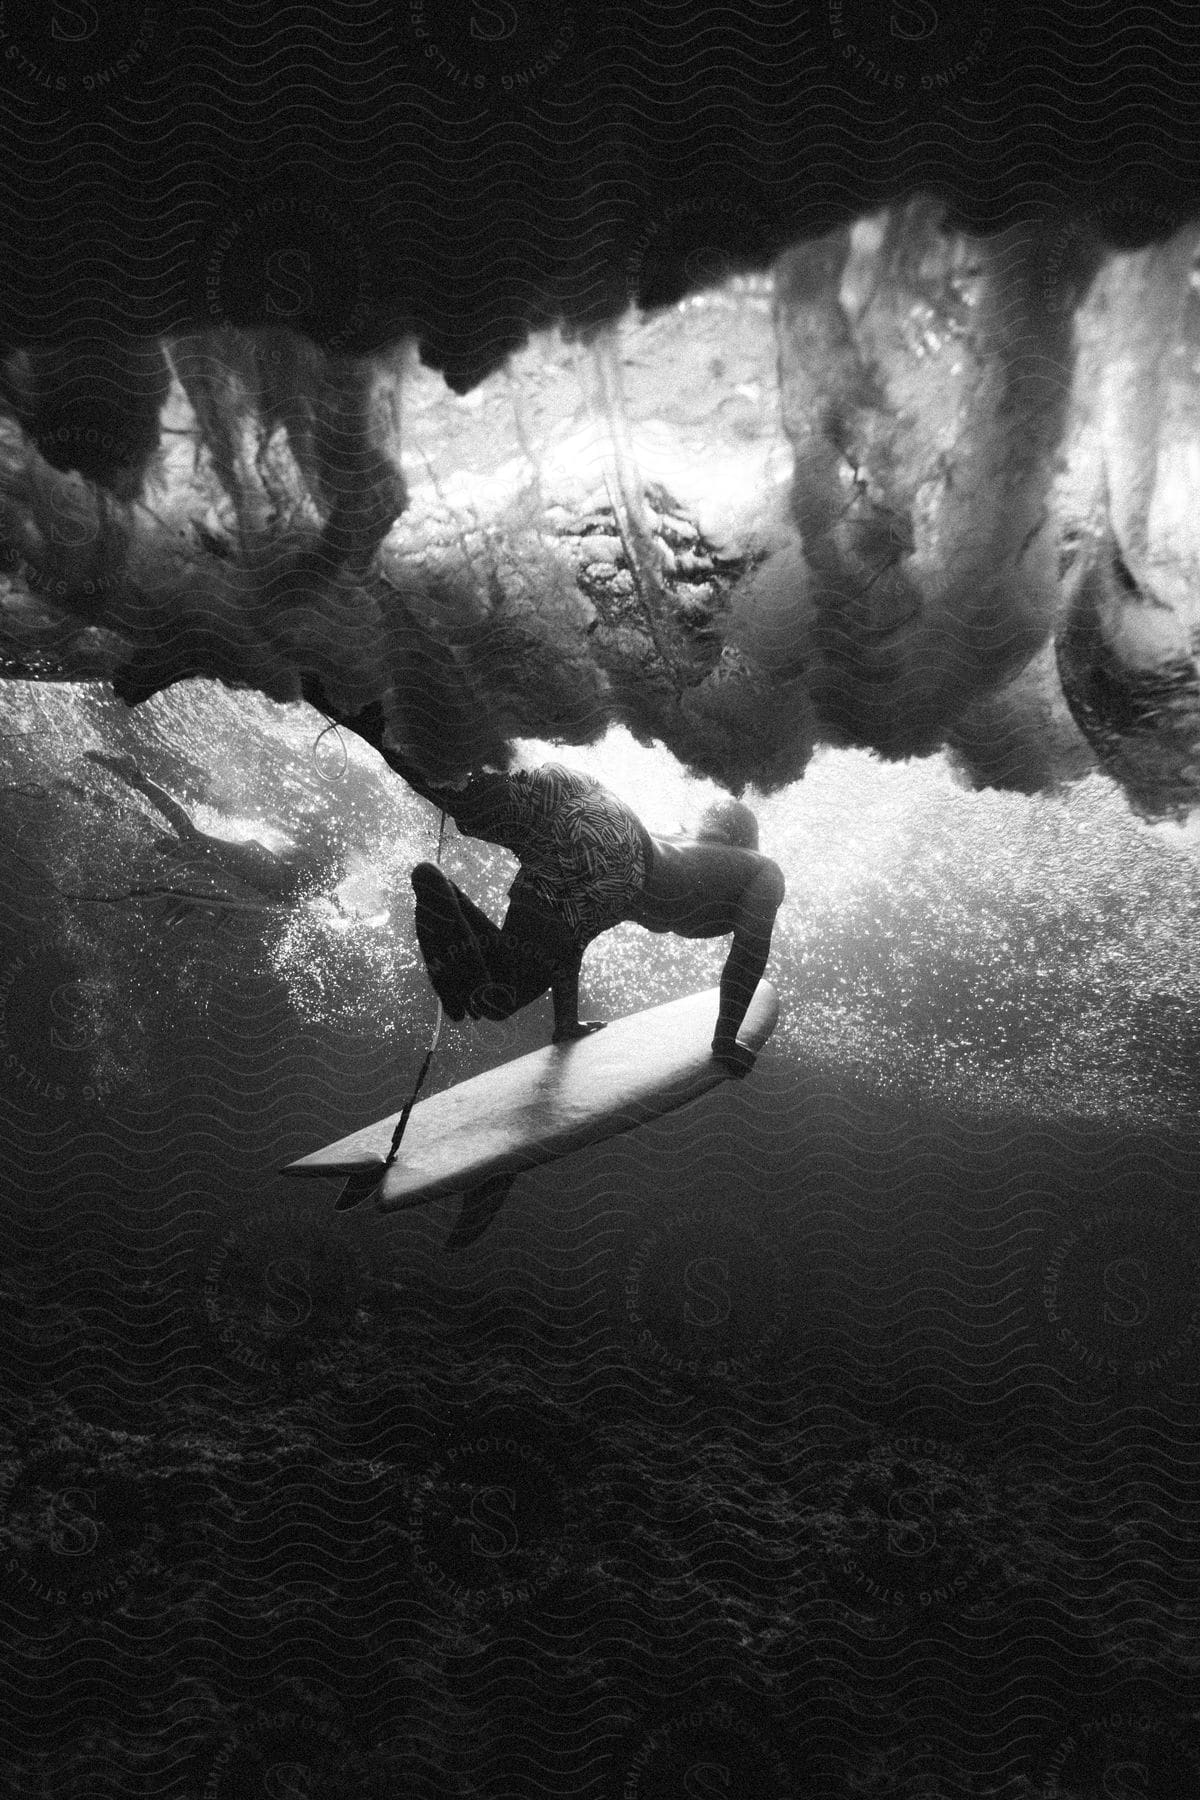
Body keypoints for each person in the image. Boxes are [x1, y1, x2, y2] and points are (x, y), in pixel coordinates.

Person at [396, 756, 785, 1077]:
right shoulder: (763, 870)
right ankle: (434, 887)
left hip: (582, 795)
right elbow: (749, 954)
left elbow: (578, 926)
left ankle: (359, 702)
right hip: (614, 846)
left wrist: (566, 1021)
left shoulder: (679, 848)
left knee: (445, 778)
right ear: (747, 838)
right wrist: (725, 1039)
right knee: (497, 999)